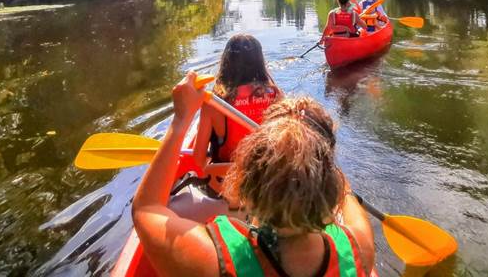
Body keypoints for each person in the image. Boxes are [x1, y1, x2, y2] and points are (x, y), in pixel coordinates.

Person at [132, 73, 376, 276]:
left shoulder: (212, 260)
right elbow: (345, 193)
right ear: (328, 188)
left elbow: (147, 209)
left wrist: (181, 119)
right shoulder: (359, 249)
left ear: (244, 181)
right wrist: (321, 162)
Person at [193, 34, 281, 170]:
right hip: (266, 180)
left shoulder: (213, 102)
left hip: (225, 181)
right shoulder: (276, 95)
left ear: (226, 63)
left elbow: (198, 161)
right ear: (259, 62)